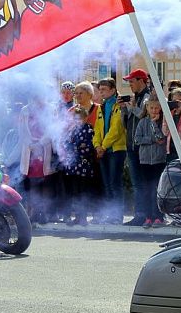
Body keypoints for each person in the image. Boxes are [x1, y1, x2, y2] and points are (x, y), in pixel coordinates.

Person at [121, 69, 153, 226]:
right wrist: (124, 109)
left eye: (132, 81)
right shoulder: (136, 98)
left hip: (143, 146)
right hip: (132, 146)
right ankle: (140, 214)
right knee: (137, 183)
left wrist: (131, 107)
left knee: (143, 183)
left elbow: (142, 114)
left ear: (141, 80)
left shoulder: (148, 97)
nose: (130, 84)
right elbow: (126, 123)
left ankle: (145, 215)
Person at [92, 78, 126, 224]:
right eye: (100, 90)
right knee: (107, 184)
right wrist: (97, 146)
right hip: (103, 150)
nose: (101, 92)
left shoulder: (118, 106)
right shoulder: (101, 107)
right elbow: (97, 129)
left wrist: (103, 146)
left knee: (115, 183)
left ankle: (117, 215)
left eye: (104, 89)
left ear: (113, 90)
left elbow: (116, 129)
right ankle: (110, 213)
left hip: (116, 149)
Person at [134, 99, 167, 228]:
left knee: (158, 190)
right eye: (151, 108)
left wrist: (154, 125)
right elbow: (137, 139)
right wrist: (151, 140)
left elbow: (161, 139)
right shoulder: (142, 122)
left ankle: (159, 216)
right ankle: (148, 217)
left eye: (156, 108)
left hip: (159, 160)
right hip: (145, 161)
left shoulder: (162, 122)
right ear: (147, 108)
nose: (154, 111)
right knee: (147, 190)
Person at [64, 105, 96, 226]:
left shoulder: (88, 129)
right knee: (75, 192)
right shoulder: (71, 131)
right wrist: (78, 146)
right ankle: (77, 216)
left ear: (85, 118)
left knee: (83, 191)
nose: (77, 121)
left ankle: (83, 217)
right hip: (72, 167)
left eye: (80, 118)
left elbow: (88, 147)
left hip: (84, 167)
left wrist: (76, 147)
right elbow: (67, 146)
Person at [161, 88, 181, 161]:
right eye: (174, 101)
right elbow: (165, 132)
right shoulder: (169, 114)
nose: (177, 103)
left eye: (180, 101)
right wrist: (165, 115)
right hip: (171, 149)